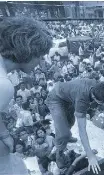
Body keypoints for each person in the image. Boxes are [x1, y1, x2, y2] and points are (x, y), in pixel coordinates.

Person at [0, 17, 52, 174]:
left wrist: (4, 133)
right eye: (41, 55)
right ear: (29, 50)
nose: (42, 61)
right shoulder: (4, 85)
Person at [45, 78, 104, 174]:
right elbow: (82, 130)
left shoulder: (98, 85)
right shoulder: (82, 99)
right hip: (56, 99)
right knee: (63, 133)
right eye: (101, 102)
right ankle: (59, 152)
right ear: (94, 96)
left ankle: (67, 137)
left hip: (69, 97)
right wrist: (90, 155)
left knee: (70, 122)